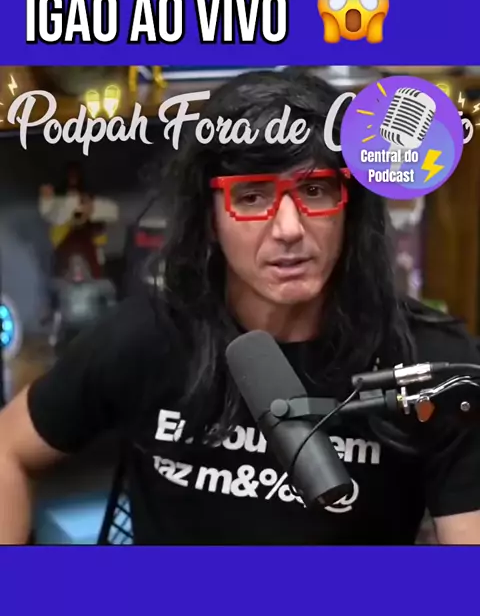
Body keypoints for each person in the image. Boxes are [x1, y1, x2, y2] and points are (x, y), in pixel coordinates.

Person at [1, 69, 480, 545]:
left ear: (349, 207)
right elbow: (9, 449)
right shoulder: (147, 336)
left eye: (314, 190)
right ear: (209, 219)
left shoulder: (435, 368)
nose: (289, 228)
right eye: (251, 197)